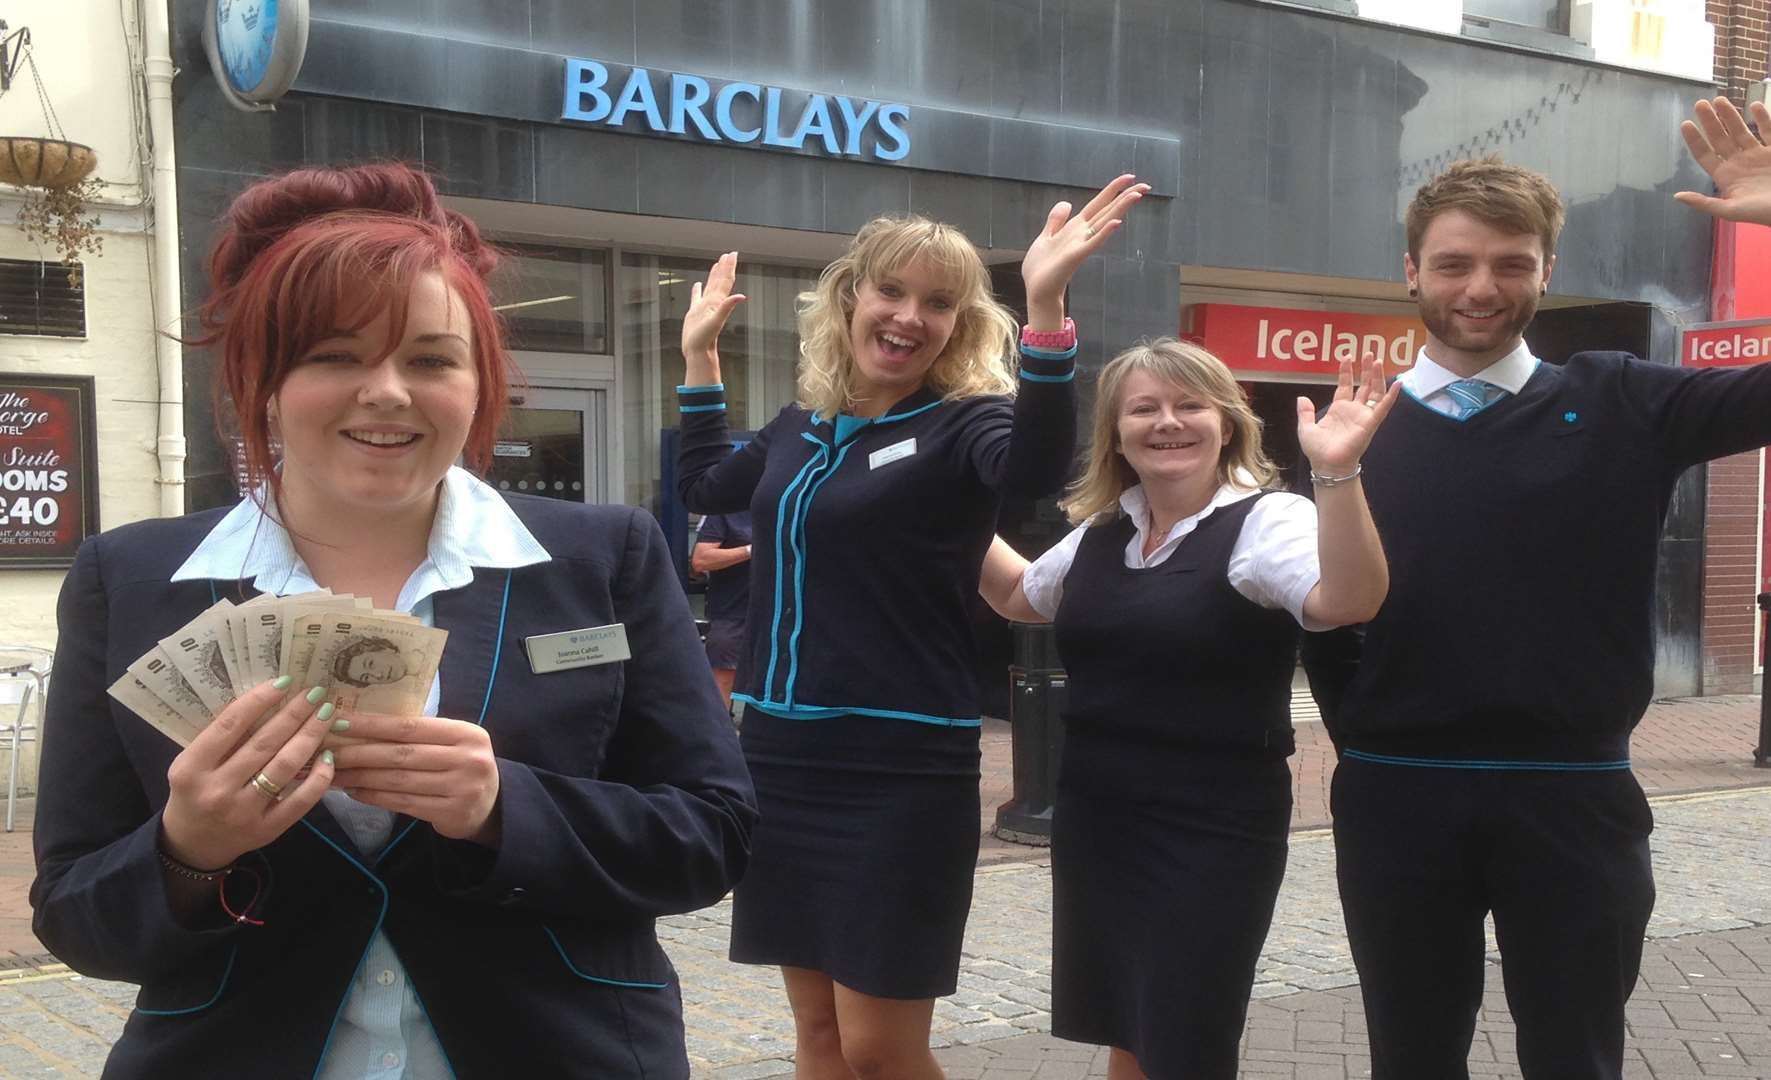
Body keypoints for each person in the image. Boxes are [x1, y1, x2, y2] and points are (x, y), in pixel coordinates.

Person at [30, 163, 756, 1079]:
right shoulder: (131, 580)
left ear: (481, 381)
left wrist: (506, 810)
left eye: (430, 359)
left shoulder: (602, 557)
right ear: (263, 380)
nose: (386, 392)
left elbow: (712, 833)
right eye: (333, 356)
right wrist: (188, 850)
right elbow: (73, 911)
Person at [1315, 98, 1771, 1079]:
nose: (1481, 287)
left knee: (1576, 1057)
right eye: (1456, 263)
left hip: (1573, 792)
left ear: (1547, 271)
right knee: (1410, 1060)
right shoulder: (1346, 436)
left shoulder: (1627, 398)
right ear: (1411, 271)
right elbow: (1316, 613)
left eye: (1511, 264)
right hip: (1395, 791)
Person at [676, 174, 1148, 1077]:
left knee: (881, 1053)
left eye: (938, 302)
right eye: (891, 290)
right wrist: (700, 361)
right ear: (852, 298)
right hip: (779, 756)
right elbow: (706, 487)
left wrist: (1045, 305)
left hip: (898, 769)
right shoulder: (802, 427)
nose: (908, 316)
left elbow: (1036, 469)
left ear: (960, 324)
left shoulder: (965, 422)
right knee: (816, 1036)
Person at [975, 339, 1396, 1079]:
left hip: (1213, 825)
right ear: (1117, 433)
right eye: (1145, 408)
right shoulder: (1106, 531)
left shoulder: (1268, 522)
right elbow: (1019, 596)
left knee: (1186, 1037)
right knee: (1128, 1025)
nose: (1168, 422)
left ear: (1226, 423)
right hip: (1102, 817)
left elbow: (1350, 598)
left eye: (1189, 404)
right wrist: (939, 505)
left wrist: (1336, 473)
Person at [691, 510, 753, 704]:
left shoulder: (791, 504)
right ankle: (720, 732)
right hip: (732, 611)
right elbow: (701, 560)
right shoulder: (725, 511)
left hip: (780, 610)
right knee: (724, 678)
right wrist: (750, 550)